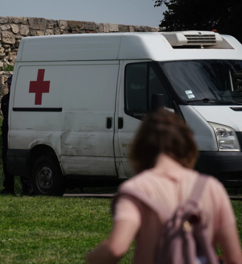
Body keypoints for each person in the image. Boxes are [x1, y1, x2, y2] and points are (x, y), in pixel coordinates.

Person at [86, 109, 242, 264]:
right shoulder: (212, 188)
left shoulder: (135, 189)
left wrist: (92, 258)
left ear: (140, 148)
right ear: (187, 146)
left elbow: (116, 248)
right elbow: (235, 258)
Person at [0, 75, 32, 195]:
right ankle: (8, 187)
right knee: (6, 159)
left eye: (11, 83)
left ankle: (26, 187)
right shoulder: (5, 99)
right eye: (8, 84)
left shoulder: (23, 100)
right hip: (7, 131)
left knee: (22, 159)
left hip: (20, 131)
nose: (9, 86)